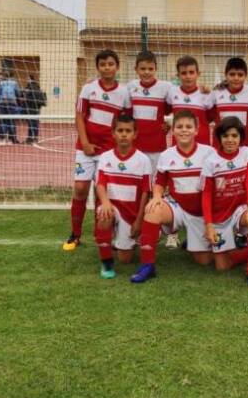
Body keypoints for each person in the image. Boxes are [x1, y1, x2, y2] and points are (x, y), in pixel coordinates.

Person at [131, 110, 215, 283]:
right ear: (173, 130)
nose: (184, 130)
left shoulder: (209, 153)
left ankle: (192, 240)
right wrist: (156, 197)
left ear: (197, 130)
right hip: (177, 207)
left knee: (204, 261)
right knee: (153, 210)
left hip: (200, 213)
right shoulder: (166, 155)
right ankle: (148, 265)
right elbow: (160, 182)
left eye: (188, 127)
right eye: (179, 126)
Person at [63, 49, 131, 252]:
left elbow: (125, 122)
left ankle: (100, 233)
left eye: (111, 64)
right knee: (81, 188)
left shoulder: (124, 93)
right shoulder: (88, 89)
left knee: (102, 192)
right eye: (103, 64)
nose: (107, 68)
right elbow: (80, 116)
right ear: (98, 67)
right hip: (85, 148)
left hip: (109, 151)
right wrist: (84, 143)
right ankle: (75, 234)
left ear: (117, 67)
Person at [200, 117, 248, 287]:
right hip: (219, 215)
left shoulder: (246, 153)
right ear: (219, 138)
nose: (230, 140)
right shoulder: (211, 160)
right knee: (222, 266)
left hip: (239, 209)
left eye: (234, 136)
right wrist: (209, 225)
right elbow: (206, 195)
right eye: (226, 136)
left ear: (240, 138)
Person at [94, 115, 152, 279]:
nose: (124, 134)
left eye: (128, 131)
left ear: (135, 134)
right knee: (104, 214)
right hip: (112, 208)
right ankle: (106, 264)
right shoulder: (105, 157)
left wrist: (139, 220)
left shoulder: (143, 160)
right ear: (113, 133)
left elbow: (145, 193)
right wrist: (105, 202)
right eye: (120, 130)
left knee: (125, 259)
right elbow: (100, 185)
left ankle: (127, 241)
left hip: (132, 214)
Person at [127, 51, 174, 172]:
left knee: (155, 183)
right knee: (137, 181)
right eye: (142, 69)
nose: (147, 72)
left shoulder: (166, 87)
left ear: (156, 69)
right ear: (136, 69)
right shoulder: (130, 86)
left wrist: (170, 123)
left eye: (150, 68)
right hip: (135, 145)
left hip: (157, 146)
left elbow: (178, 107)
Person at [211, 57, 248, 149]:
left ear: (246, 75)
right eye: (232, 74)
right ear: (226, 75)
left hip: (244, 147)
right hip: (220, 147)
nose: (236, 78)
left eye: (240, 75)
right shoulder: (216, 92)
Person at [167, 55, 215, 146]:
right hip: (178, 144)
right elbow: (165, 110)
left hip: (201, 144)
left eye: (191, 72)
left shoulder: (206, 93)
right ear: (178, 75)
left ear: (198, 73)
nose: (188, 76)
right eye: (184, 73)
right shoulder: (172, 92)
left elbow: (210, 118)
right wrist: (165, 124)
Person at [0, 72, 21, 145]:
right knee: (11, 121)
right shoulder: (14, 83)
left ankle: (2, 140)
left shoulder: (1, 83)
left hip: (2, 103)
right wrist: (19, 102)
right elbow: (18, 93)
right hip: (12, 103)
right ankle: (11, 140)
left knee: (3, 121)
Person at [21, 75, 46, 144]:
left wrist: (23, 96)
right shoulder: (37, 87)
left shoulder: (30, 87)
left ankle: (31, 138)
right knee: (35, 123)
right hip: (37, 107)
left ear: (29, 79)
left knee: (31, 123)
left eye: (27, 78)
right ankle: (34, 137)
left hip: (30, 107)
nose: (26, 80)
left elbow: (26, 96)